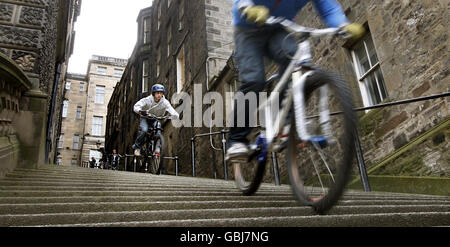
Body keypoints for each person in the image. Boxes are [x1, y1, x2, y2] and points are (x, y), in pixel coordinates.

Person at [226, 0, 365, 161]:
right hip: (247, 28)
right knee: (254, 80)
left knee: (294, 60)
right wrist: (247, 7)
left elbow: (327, 7)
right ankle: (236, 140)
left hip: (278, 29)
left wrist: (342, 24)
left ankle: (286, 122)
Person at [132, 84, 179, 156]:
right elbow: (136, 106)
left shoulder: (165, 102)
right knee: (144, 130)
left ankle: (157, 148)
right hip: (146, 117)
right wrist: (141, 111)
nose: (159, 95)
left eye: (161, 93)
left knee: (158, 129)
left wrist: (176, 115)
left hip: (156, 118)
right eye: (157, 93)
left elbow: (171, 110)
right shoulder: (147, 100)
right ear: (154, 93)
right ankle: (137, 147)